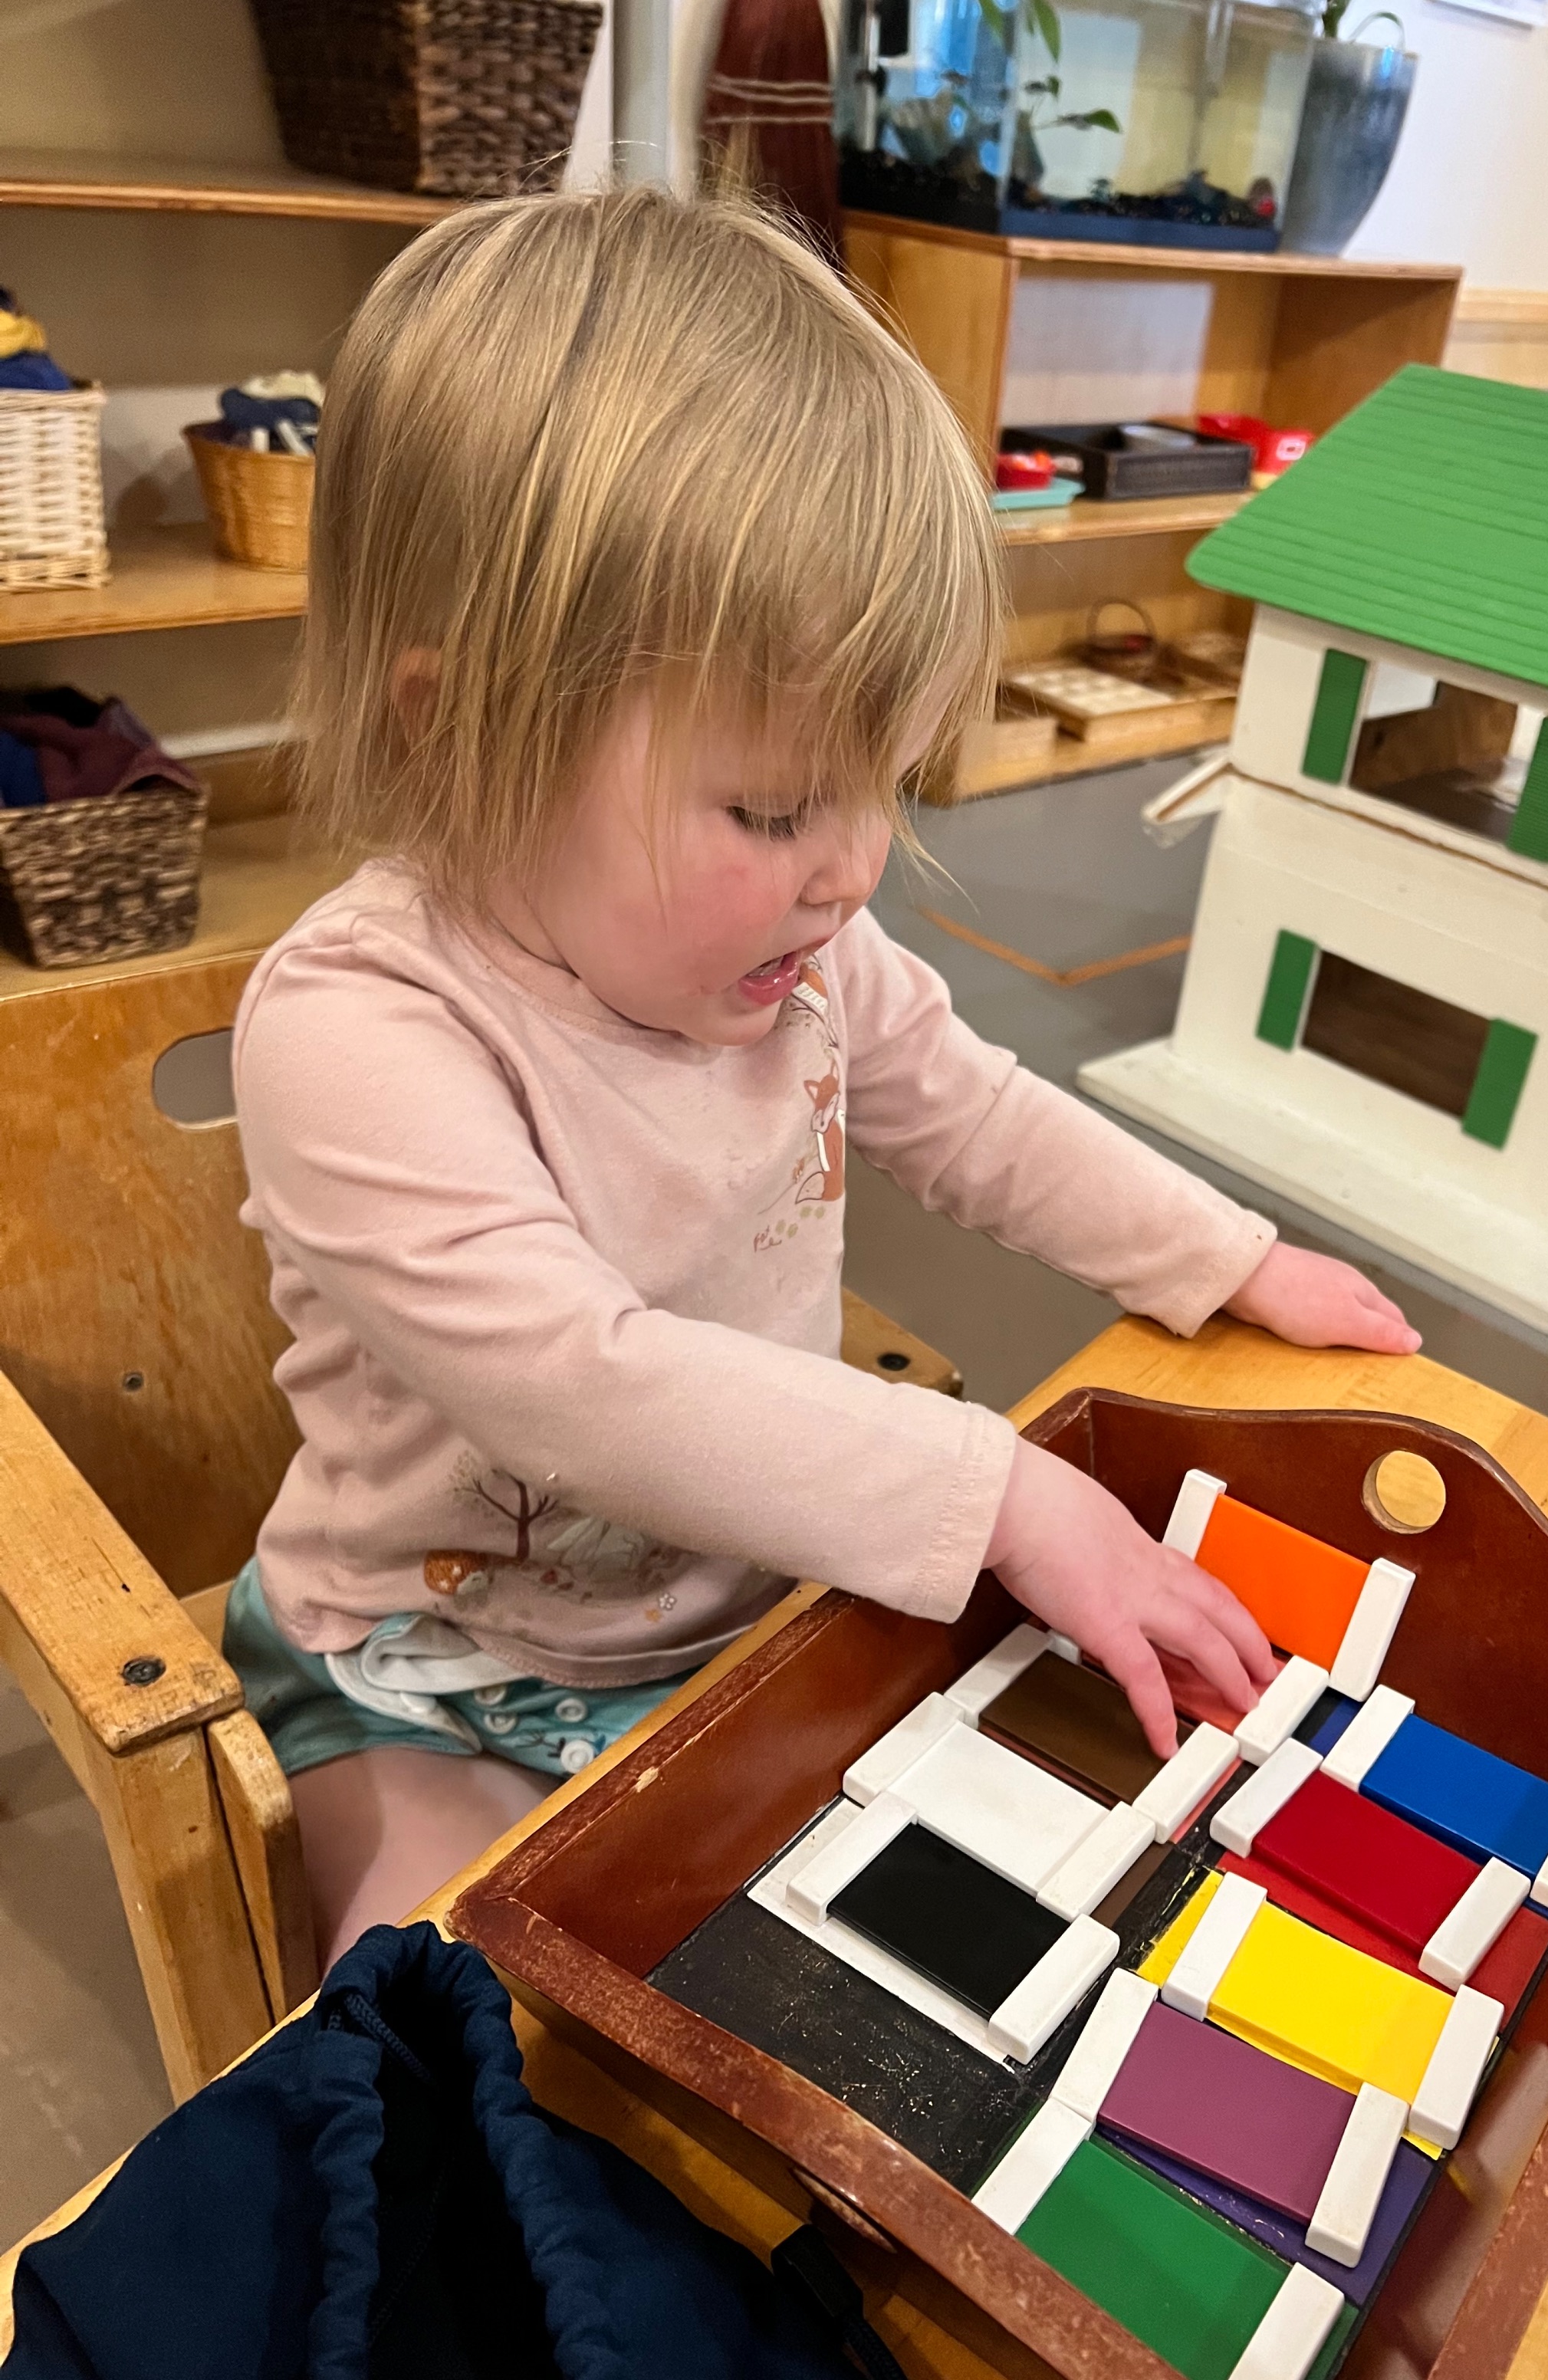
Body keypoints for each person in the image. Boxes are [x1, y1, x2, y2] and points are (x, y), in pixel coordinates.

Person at [228, 186, 1419, 1968]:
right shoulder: (359, 1029)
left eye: (887, 784)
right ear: (450, 718)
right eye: (776, 808)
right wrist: (999, 1489)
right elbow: (578, 1384)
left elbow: (975, 1108)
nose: (851, 864)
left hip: (751, 1612)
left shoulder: (802, 950)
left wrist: (1223, 1258)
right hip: (435, 1669)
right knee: (439, 2032)